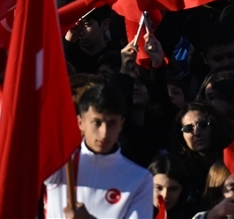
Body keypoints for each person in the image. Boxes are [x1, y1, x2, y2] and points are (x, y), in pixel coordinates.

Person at [44, 85, 153, 218]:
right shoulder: (59, 166)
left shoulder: (139, 178)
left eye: (112, 123)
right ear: (80, 122)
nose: (104, 133)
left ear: (121, 124)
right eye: (96, 122)